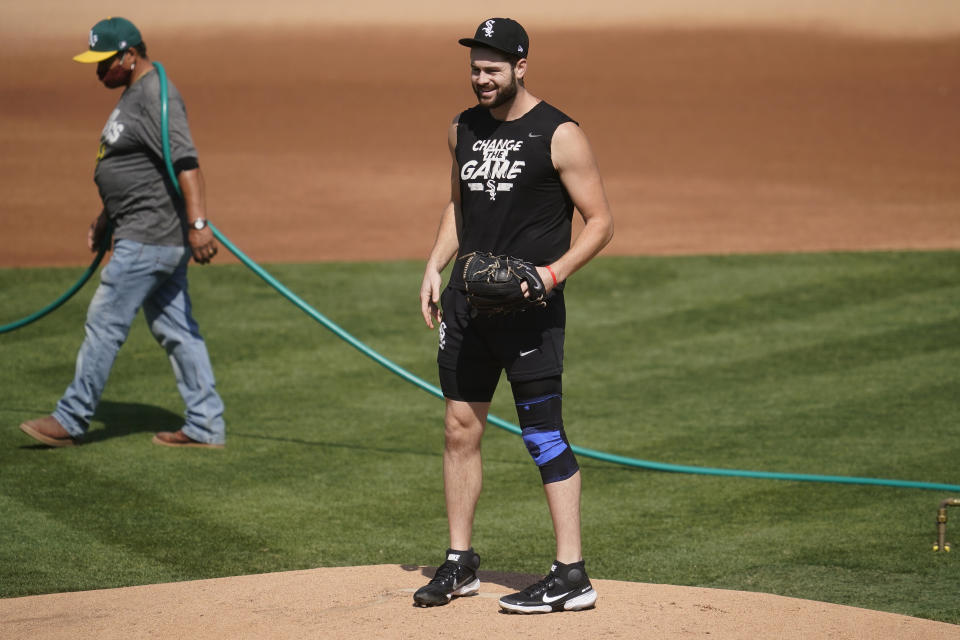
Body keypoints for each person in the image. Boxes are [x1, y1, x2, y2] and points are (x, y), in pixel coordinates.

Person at [415, 18, 614, 613]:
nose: (481, 77)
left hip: (531, 311)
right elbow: (460, 203)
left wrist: (551, 275)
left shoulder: (560, 134)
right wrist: (433, 263)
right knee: (459, 428)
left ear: (521, 66)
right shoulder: (462, 129)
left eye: (493, 68)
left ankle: (572, 572)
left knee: (543, 435)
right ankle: (459, 563)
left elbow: (602, 223)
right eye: (475, 66)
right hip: (468, 305)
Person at [18, 17, 226, 449]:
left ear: (130, 55)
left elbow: (186, 164)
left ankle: (71, 418)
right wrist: (105, 217)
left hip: (148, 237)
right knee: (178, 331)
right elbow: (133, 169)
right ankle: (206, 423)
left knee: (104, 323)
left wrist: (200, 225)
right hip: (146, 233)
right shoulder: (138, 94)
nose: (98, 71)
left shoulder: (156, 95)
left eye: (105, 62)